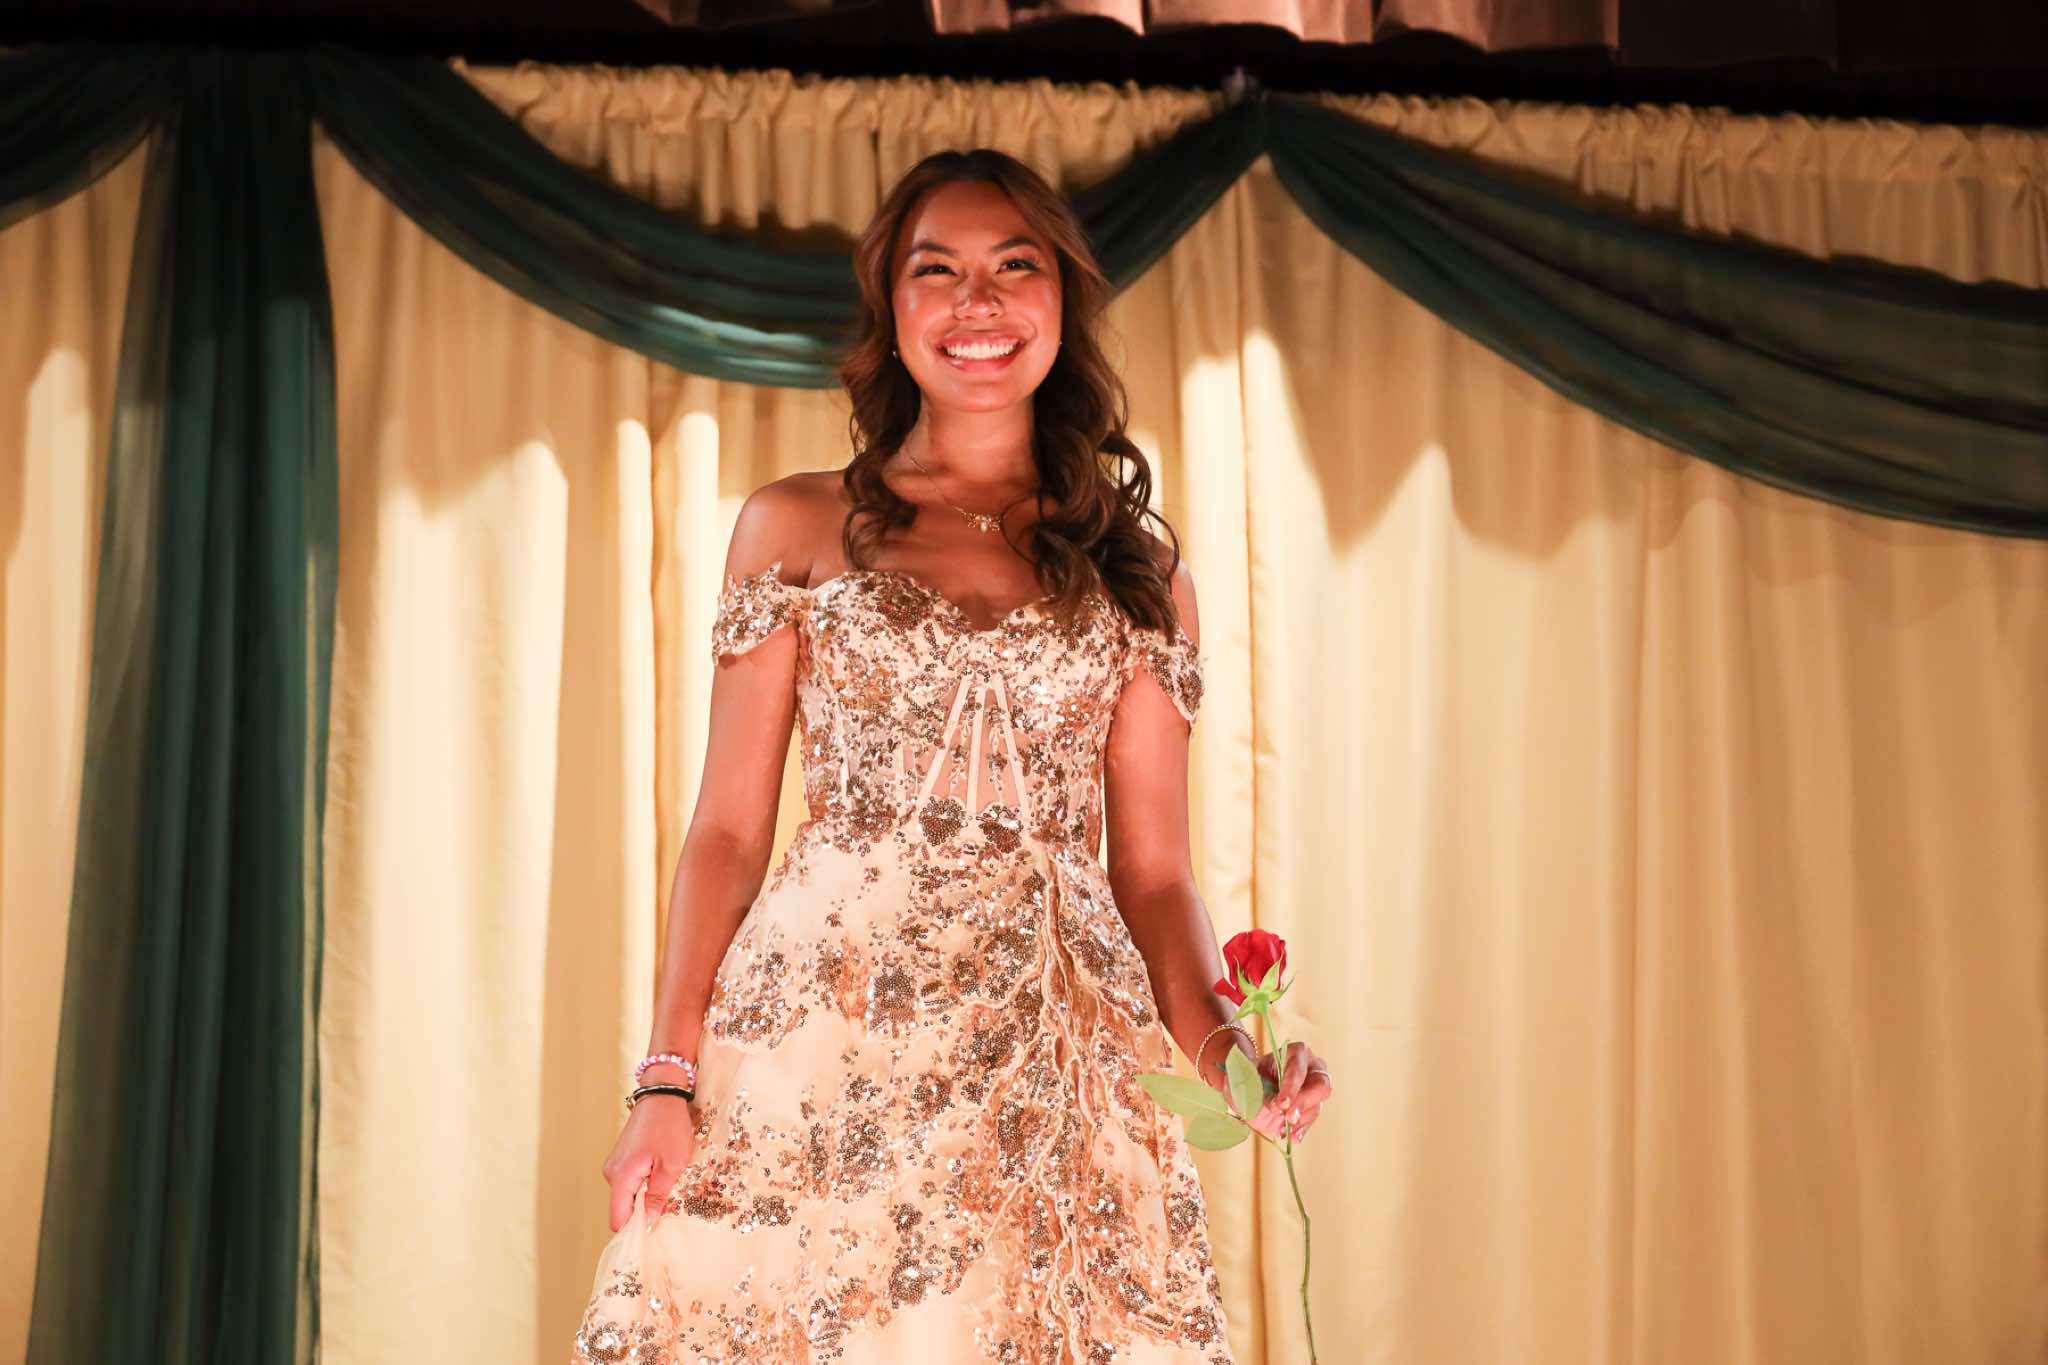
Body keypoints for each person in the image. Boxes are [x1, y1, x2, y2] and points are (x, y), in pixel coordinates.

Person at [571, 146, 1334, 1365]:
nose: (976, 303)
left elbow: (1152, 876)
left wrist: (1232, 1062)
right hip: (822, 1036)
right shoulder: (793, 523)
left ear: (1062, 301)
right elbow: (726, 830)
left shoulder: (1142, 574)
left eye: (1013, 267)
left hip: (1049, 1055)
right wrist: (665, 1078)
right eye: (937, 270)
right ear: (892, 309)